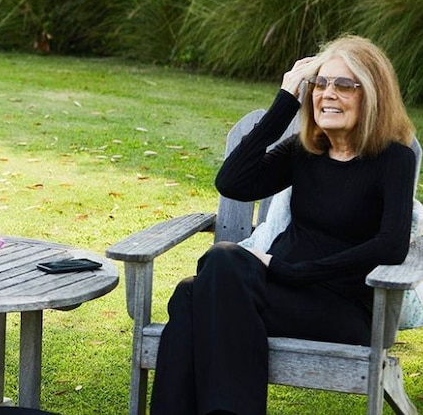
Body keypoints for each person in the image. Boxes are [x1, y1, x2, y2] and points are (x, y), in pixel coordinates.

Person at [149, 35, 417, 415]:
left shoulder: (394, 159)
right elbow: (233, 183)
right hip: (274, 291)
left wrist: (293, 270)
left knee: (199, 289)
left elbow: (391, 244)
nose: (327, 94)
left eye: (344, 85)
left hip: (341, 308)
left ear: (371, 95)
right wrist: (285, 100)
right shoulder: (303, 152)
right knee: (203, 285)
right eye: (319, 84)